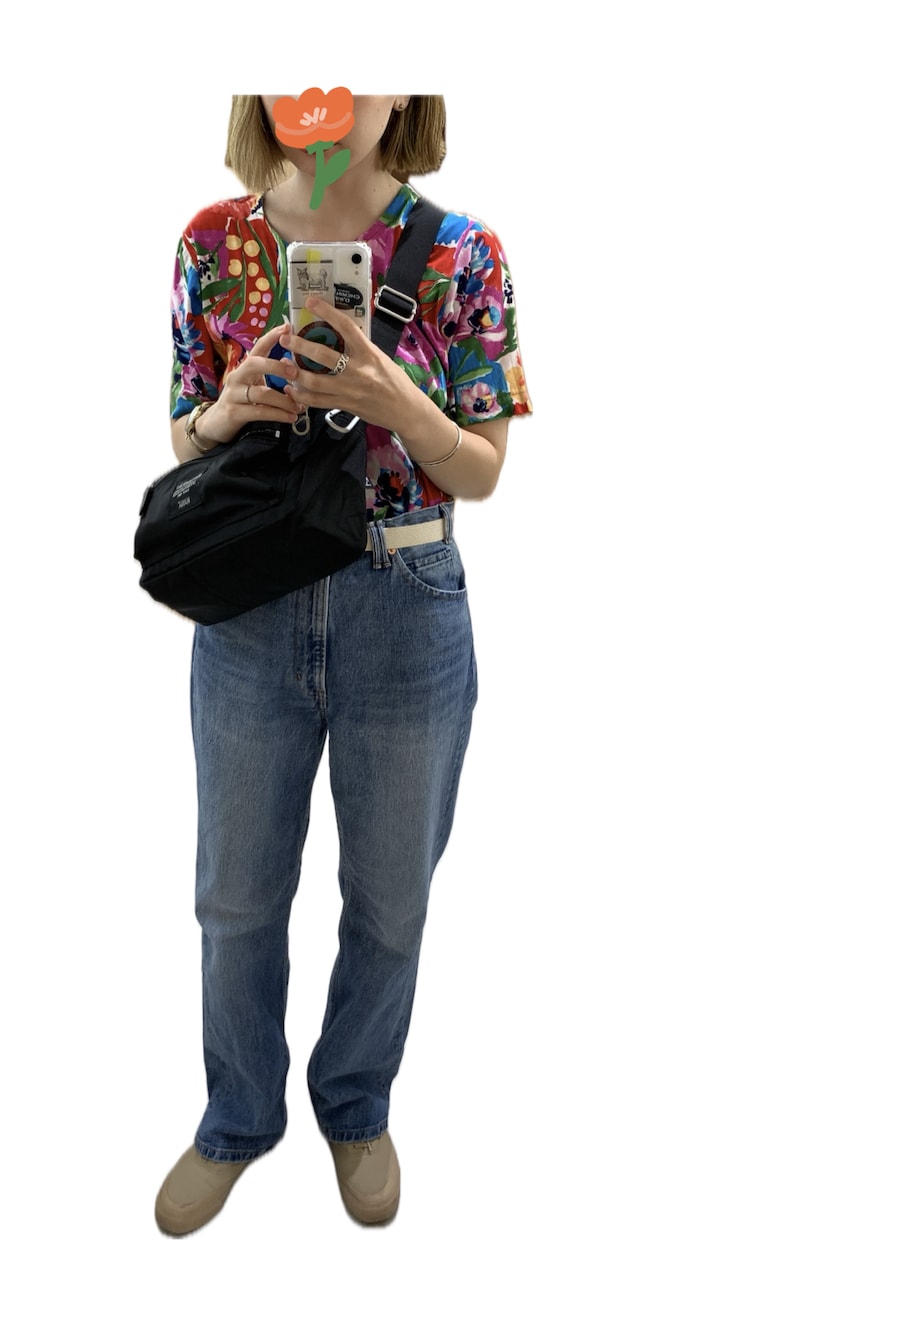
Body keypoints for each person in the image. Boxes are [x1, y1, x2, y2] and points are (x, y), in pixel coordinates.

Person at [155, 93, 531, 1236]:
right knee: (234, 895)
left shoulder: (463, 251)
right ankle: (237, 1115)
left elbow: (482, 470)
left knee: (390, 898)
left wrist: (398, 404)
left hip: (406, 599)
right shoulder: (212, 242)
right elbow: (182, 432)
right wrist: (225, 411)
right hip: (250, 605)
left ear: (404, 87)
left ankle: (355, 1103)